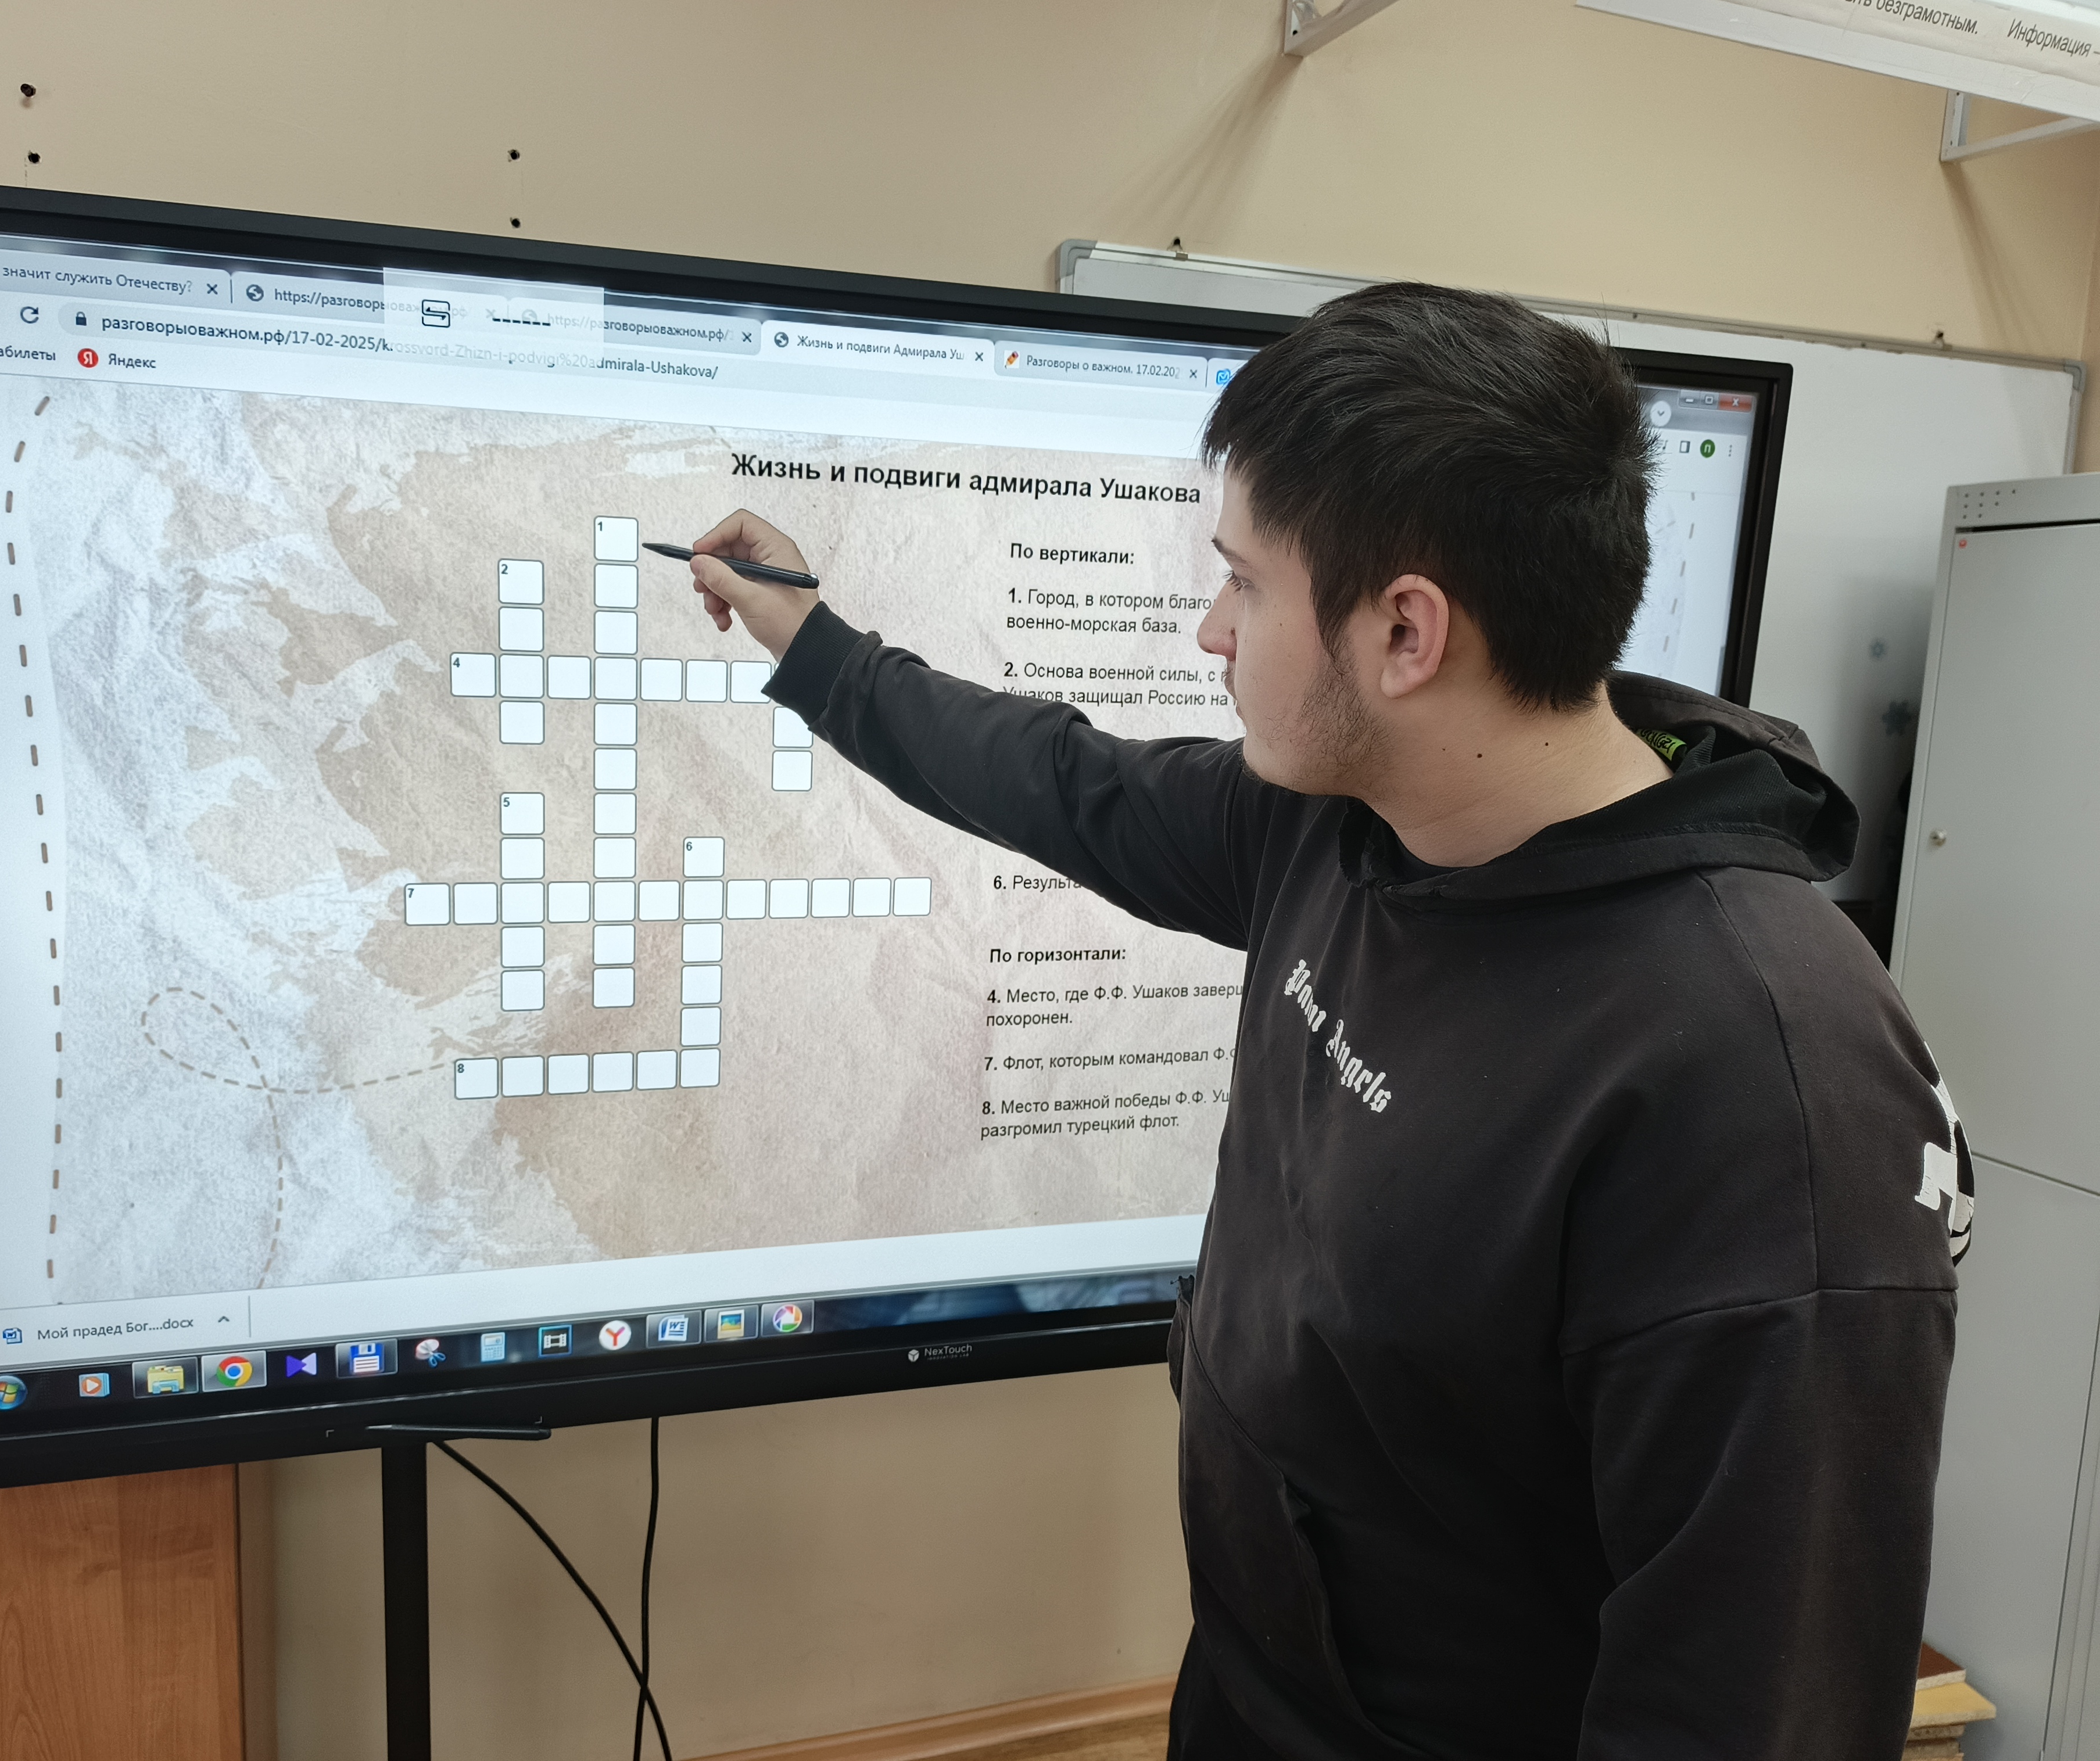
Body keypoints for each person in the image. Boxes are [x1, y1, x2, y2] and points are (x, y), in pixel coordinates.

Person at [686, 283, 1970, 1760]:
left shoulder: (1764, 1085)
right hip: (1257, 1694)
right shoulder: (1347, 823)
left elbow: (1757, 1703)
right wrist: (812, 641)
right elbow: (1060, 781)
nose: (1209, 632)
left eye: (1244, 583)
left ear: (1404, 631)